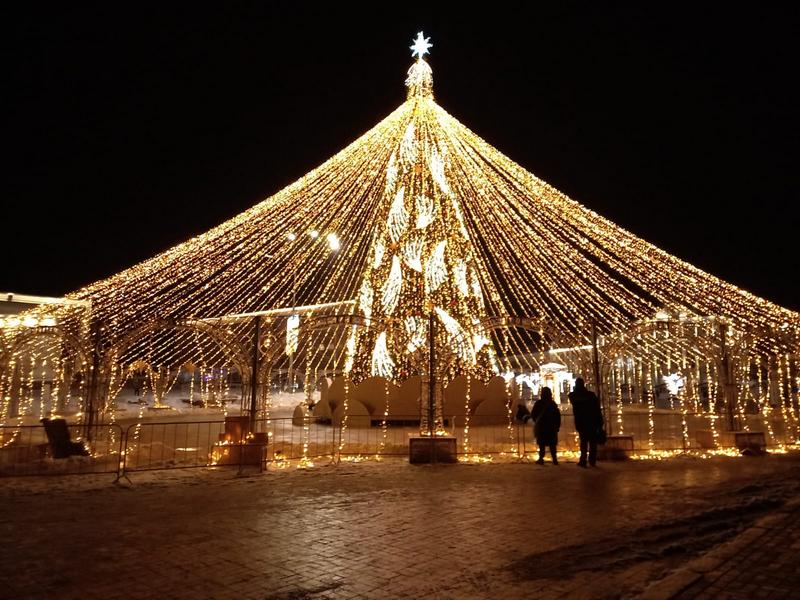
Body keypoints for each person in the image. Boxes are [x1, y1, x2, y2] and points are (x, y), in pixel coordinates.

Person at [569, 377, 604, 467]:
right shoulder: (591, 395)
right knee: (592, 442)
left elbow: (572, 397)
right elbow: (597, 409)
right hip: (592, 421)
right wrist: (599, 422)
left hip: (582, 422)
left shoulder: (575, 396)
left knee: (584, 442)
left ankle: (583, 460)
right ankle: (592, 460)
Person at [531, 386, 560, 465]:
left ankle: (541, 458)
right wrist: (557, 426)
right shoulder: (552, 404)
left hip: (542, 428)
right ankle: (554, 459)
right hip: (551, 427)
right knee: (552, 445)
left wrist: (537, 421)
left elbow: (533, 414)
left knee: (542, 445)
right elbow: (557, 416)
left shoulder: (539, 403)